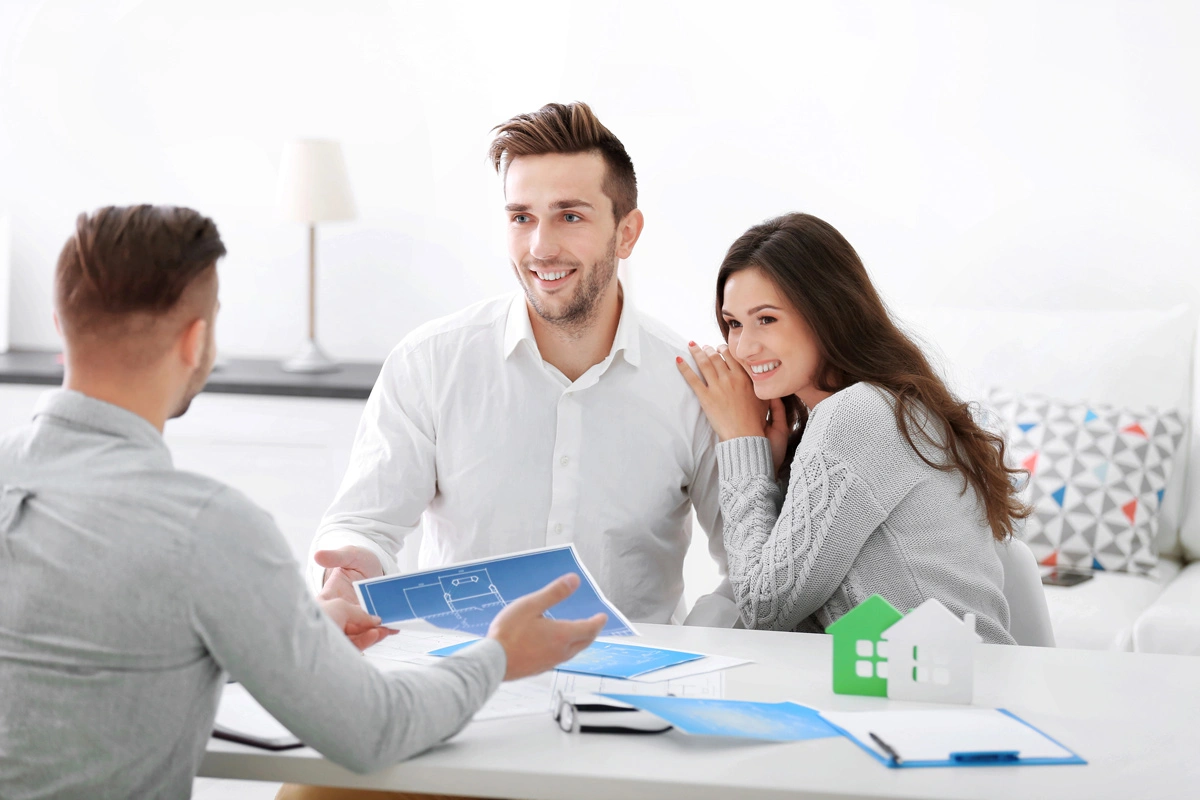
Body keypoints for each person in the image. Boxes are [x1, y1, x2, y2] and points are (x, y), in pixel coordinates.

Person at [0, 205, 605, 800]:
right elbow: (376, 729)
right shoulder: (207, 527)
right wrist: (498, 656)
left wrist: (291, 634)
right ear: (196, 341)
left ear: (60, 325)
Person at [308, 102, 739, 628]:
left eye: (570, 216)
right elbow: (364, 526)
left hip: (628, 694)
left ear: (626, 233)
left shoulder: (692, 384)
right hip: (460, 682)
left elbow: (744, 568)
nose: (541, 247)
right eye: (521, 218)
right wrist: (350, 574)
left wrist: (690, 653)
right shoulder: (431, 364)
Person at [676, 212, 1026, 645]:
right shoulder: (879, 405)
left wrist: (741, 445)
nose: (743, 348)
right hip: (914, 685)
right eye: (733, 324)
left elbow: (763, 612)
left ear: (826, 312)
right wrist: (774, 471)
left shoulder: (859, 413)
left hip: (943, 693)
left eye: (766, 319)